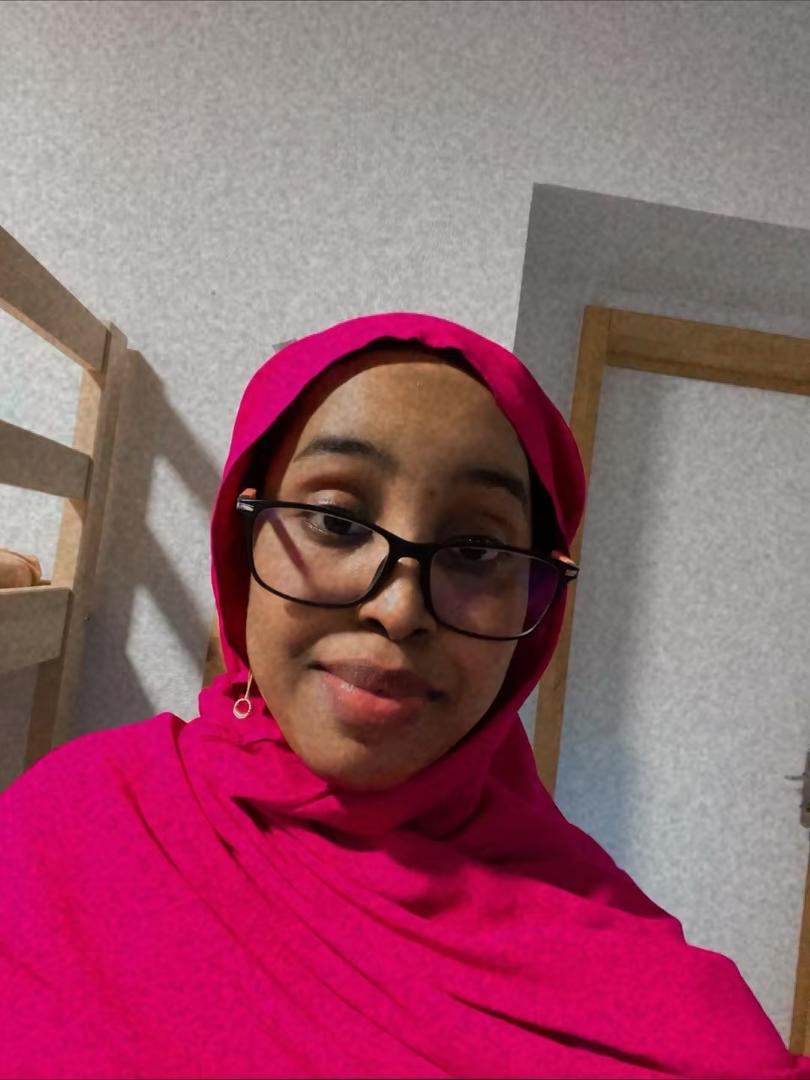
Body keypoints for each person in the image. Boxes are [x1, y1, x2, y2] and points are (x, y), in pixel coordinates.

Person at [1, 311, 808, 1079]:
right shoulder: (80, 824)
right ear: (241, 543)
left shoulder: (641, 993)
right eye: (336, 521)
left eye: (477, 548)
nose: (398, 607)